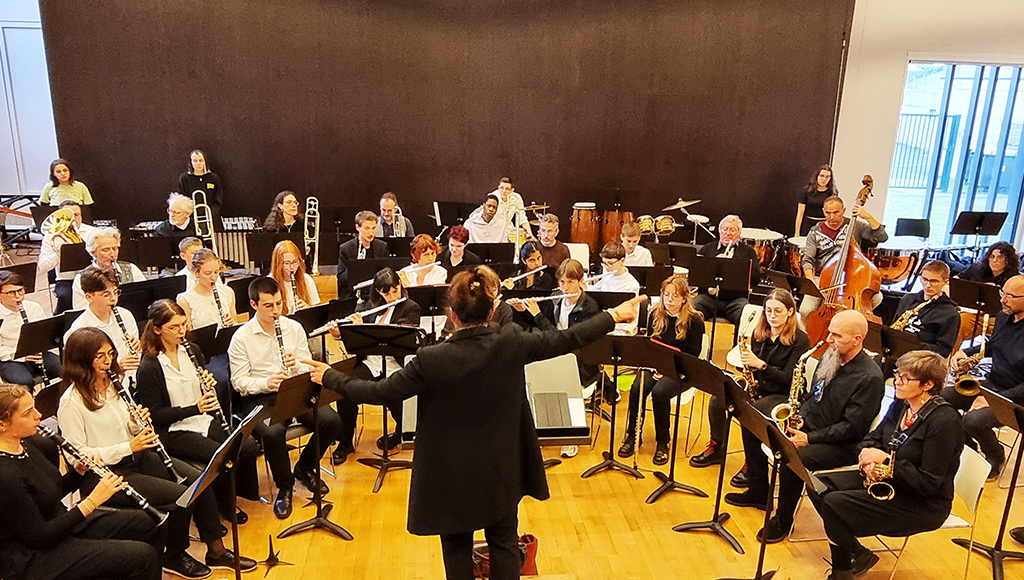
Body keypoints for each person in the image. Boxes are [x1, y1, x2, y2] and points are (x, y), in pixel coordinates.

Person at [305, 265, 642, 580]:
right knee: (504, 540)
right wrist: (613, 314)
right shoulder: (511, 343)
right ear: (492, 311)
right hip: (501, 466)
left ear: (451, 315)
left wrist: (329, 376)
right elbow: (568, 339)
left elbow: (378, 391)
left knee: (456, 546)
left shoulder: (431, 359)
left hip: (451, 473)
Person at [58, 327, 256, 578]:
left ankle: (216, 551)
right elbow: (78, 455)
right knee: (182, 496)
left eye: (110, 353)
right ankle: (172, 555)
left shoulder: (113, 385)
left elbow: (125, 428)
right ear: (80, 360)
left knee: (199, 481)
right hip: (108, 475)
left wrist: (135, 422)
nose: (108, 361)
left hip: (138, 456)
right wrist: (128, 446)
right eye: (99, 356)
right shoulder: (71, 402)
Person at [725, 310, 885, 544]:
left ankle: (783, 519)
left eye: (837, 336)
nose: (829, 340)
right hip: (811, 427)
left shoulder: (869, 378)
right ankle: (758, 491)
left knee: (793, 456)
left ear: (857, 339)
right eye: (830, 333)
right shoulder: (830, 356)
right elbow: (814, 395)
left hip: (841, 443)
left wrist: (809, 438)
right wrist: (798, 416)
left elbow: (851, 428)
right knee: (753, 422)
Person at [808, 351, 964, 580]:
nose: (897, 382)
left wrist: (886, 462)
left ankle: (842, 573)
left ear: (928, 384)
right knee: (817, 486)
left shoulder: (944, 422)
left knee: (834, 503)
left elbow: (929, 483)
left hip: (923, 503)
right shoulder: (904, 404)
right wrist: (868, 458)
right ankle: (856, 552)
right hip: (891, 479)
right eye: (897, 374)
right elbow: (876, 436)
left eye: (905, 378)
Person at [0, 383, 162, 580]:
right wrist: (92, 501)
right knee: (142, 556)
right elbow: (39, 537)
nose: (38, 415)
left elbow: (50, 493)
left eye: (34, 407)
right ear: (2, 424)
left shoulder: (28, 443)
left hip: (59, 527)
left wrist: (78, 471)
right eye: (27, 413)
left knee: (148, 522)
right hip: (31, 557)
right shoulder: (5, 476)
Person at [135, 300, 259, 525]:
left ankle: (234, 493)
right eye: (174, 328)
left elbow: (202, 387)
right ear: (157, 329)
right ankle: (223, 505)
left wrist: (207, 384)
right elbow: (155, 415)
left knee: (247, 446)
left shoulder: (192, 350)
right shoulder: (150, 367)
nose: (182, 332)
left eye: (183, 325)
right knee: (222, 456)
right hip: (172, 430)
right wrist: (196, 407)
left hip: (200, 419)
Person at [229, 277, 341, 519]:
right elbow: (239, 383)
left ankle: (305, 466)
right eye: (269, 306)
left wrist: (296, 365)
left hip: (294, 389)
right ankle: (285, 486)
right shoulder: (241, 337)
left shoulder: (293, 327)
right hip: (260, 397)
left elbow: (306, 366)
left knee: (331, 420)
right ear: (253, 304)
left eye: (278, 304)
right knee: (272, 432)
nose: (276, 311)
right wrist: (266, 382)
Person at [690, 289, 810, 486]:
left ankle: (752, 464)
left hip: (783, 394)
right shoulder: (760, 333)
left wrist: (760, 365)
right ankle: (716, 447)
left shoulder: (800, 340)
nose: (772, 316)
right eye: (768, 310)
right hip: (761, 387)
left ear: (790, 312)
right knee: (719, 399)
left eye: (777, 311)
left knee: (750, 414)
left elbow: (788, 379)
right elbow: (752, 368)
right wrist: (746, 368)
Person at [330, 267, 422, 463]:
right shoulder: (367, 307)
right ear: (379, 292)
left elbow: (399, 338)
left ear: (400, 286)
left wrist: (365, 326)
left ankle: (401, 433)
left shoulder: (411, 307)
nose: (391, 296)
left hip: (396, 365)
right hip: (371, 363)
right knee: (345, 390)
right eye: (386, 292)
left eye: (395, 290)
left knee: (399, 398)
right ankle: (345, 441)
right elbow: (357, 342)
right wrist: (342, 333)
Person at [618, 275, 705, 465]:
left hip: (681, 369)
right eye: (666, 295)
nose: (669, 300)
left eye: (675, 296)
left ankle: (663, 442)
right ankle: (633, 435)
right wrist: (655, 366)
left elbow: (692, 356)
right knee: (636, 389)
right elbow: (650, 345)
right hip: (655, 365)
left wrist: (668, 370)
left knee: (660, 393)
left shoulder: (694, 321)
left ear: (684, 298)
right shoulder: (654, 314)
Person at [946, 274, 1024, 479]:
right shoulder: (1005, 316)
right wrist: (966, 352)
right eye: (1003, 293)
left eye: (1010, 295)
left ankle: (995, 455)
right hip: (993, 384)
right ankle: (968, 448)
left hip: (1017, 398)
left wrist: (992, 399)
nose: (1002, 300)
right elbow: (992, 346)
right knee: (942, 400)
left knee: (973, 420)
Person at [515, 259, 602, 391]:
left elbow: (566, 339)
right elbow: (541, 327)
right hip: (556, 352)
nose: (565, 287)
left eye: (570, 282)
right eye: (562, 282)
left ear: (581, 281)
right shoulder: (556, 298)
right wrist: (522, 311)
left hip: (577, 360)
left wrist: (537, 314)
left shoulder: (589, 308)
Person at [65, 266, 141, 376]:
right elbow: (81, 371)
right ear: (89, 297)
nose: (113, 298)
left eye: (115, 292)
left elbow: (137, 354)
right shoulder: (79, 329)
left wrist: (139, 346)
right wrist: (117, 367)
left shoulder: (125, 315)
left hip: (131, 378)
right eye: (106, 294)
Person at [692, 215, 761, 326]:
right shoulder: (708, 249)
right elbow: (696, 274)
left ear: (739, 233)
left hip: (735, 301)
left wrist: (732, 266)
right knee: (692, 308)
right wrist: (714, 264)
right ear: (719, 231)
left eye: (732, 230)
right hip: (708, 299)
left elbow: (756, 278)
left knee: (746, 315)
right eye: (724, 229)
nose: (727, 233)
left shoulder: (748, 252)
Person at [802, 195, 888, 281]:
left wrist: (868, 217)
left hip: (850, 277)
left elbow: (882, 237)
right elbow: (808, 259)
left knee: (877, 295)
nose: (831, 217)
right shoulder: (815, 232)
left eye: (836, 212)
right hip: (822, 276)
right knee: (809, 294)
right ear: (823, 211)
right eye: (828, 213)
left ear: (843, 211)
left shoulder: (855, 226)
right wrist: (811, 279)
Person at [0, 271, 61, 387]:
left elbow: (45, 333)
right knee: (24, 382)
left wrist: (41, 345)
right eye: (11, 293)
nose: (18, 296)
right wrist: (21, 356)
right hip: (10, 358)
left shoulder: (34, 307)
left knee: (66, 369)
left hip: (37, 353)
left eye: (20, 290)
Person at [891, 260, 960, 357]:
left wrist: (913, 346)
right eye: (925, 279)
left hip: (920, 359)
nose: (928, 285)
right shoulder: (907, 299)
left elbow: (943, 350)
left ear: (945, 282)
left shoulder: (950, 313)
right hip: (896, 351)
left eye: (934, 281)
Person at [39, 200, 95, 314]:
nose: (73, 219)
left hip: (92, 275)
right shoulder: (51, 236)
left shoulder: (92, 232)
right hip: (66, 280)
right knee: (66, 297)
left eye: (77, 215)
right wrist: (58, 253)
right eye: (69, 215)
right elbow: (42, 267)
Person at [71, 227, 146, 311]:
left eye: (115, 249)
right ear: (93, 252)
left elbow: (144, 298)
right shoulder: (81, 278)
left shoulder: (132, 269)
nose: (112, 254)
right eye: (105, 250)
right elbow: (80, 310)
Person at [589, 242, 641, 336]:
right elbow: (595, 291)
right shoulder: (609, 274)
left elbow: (625, 315)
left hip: (621, 330)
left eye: (610, 263)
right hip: (605, 324)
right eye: (604, 263)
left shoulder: (631, 285)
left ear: (622, 261)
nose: (607, 267)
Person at [177, 248, 234, 330]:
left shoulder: (228, 292)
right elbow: (187, 334)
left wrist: (231, 323)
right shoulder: (184, 300)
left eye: (216, 272)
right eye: (208, 273)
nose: (213, 277)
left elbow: (235, 324)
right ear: (196, 272)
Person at [337, 210, 389, 300]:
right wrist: (356, 267)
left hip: (375, 295)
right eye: (367, 228)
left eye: (373, 228)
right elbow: (341, 280)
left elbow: (386, 274)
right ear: (358, 227)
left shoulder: (382, 246)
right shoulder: (346, 248)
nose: (371, 233)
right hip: (353, 296)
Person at [270, 239, 320, 314]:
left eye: (295, 262)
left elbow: (317, 310)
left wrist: (308, 310)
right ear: (278, 264)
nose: (292, 267)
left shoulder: (306, 279)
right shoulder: (270, 283)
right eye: (286, 263)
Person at [177, 149, 223, 224]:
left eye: (201, 160)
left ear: (205, 162)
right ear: (190, 162)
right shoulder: (184, 178)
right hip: (191, 218)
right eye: (195, 161)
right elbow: (182, 198)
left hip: (212, 217)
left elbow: (218, 198)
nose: (198, 163)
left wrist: (211, 212)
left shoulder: (213, 178)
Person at [794, 165, 838, 236]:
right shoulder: (806, 192)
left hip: (825, 226)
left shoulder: (833, 193)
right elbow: (800, 214)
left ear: (830, 178)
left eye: (827, 177)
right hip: (808, 225)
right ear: (817, 176)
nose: (824, 179)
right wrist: (797, 233)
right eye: (821, 176)